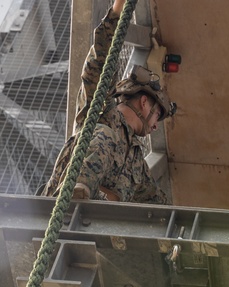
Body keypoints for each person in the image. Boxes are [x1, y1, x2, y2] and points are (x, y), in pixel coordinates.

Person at [41, 0, 174, 203]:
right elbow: (100, 60)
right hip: (61, 207)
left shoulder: (136, 161)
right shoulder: (102, 110)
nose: (156, 125)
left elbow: (158, 205)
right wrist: (119, 8)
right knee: (105, 133)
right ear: (144, 102)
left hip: (98, 228)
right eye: (157, 115)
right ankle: (78, 191)